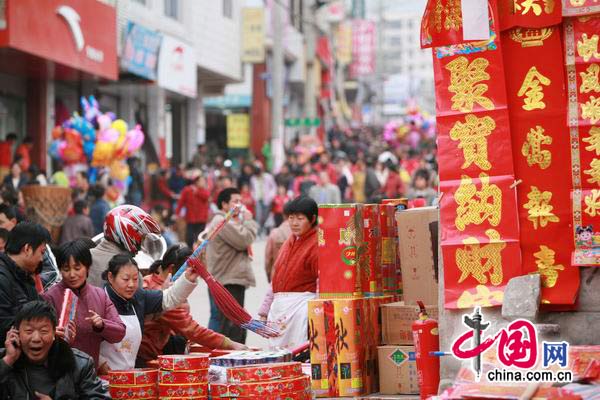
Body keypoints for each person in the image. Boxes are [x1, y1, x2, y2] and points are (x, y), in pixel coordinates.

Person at [138, 245, 246, 366]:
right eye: (190, 273)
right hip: (145, 353)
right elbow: (191, 330)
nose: (193, 277)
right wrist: (230, 343)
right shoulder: (161, 294)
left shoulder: (151, 279)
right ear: (171, 269)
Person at [99, 254, 199, 372]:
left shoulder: (139, 297)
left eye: (135, 279)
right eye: (125, 279)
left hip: (129, 374)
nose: (131, 285)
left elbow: (168, 299)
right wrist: (100, 363)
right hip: (103, 376)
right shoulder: (98, 299)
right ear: (111, 277)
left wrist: (187, 279)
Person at [42, 239, 126, 368]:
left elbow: (119, 333)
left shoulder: (100, 295)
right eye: (66, 269)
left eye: (77, 268)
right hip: (59, 372)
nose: (72, 274)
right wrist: (52, 334)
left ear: (87, 267)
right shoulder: (49, 297)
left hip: (90, 374)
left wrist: (101, 325)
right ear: (59, 270)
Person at [0, 301, 110, 399]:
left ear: (54, 333)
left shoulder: (80, 364)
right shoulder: (5, 360)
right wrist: (8, 360)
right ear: (16, 333)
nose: (36, 338)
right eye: (29, 331)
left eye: (44, 331)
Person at [206, 188, 258, 344]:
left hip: (231, 278)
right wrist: (249, 220)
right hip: (228, 280)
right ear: (224, 204)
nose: (240, 205)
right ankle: (231, 360)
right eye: (235, 201)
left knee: (236, 322)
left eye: (240, 201)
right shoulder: (221, 221)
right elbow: (244, 239)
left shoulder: (230, 221)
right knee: (232, 325)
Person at [267, 197, 318, 350]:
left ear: (313, 219)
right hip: (280, 307)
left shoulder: (317, 243)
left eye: (300, 218)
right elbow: (276, 275)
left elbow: (321, 281)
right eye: (291, 218)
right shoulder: (290, 240)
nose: (294, 223)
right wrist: (265, 308)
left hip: (301, 309)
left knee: (297, 353)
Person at [0, 222, 53, 343]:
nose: (41, 259)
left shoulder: (23, 276)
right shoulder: (3, 278)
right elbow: (4, 324)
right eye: (42, 252)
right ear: (27, 249)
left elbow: (41, 307)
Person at [88, 205, 162, 288]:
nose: (141, 246)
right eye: (142, 239)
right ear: (129, 233)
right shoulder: (132, 274)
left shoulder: (82, 258)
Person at [175, 175, 210, 248]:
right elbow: (181, 202)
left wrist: (197, 192)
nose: (204, 183)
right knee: (189, 237)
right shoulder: (187, 190)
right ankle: (189, 252)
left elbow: (206, 197)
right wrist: (177, 213)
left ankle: (198, 253)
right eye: (202, 181)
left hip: (201, 219)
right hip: (191, 218)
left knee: (199, 237)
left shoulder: (204, 190)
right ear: (196, 182)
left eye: (204, 181)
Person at [250, 162, 276, 237]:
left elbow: (273, 187)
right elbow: (252, 189)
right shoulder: (253, 178)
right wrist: (254, 196)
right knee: (258, 216)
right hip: (258, 199)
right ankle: (259, 232)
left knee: (265, 216)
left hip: (267, 199)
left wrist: (271, 196)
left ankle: (264, 229)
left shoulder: (268, 177)